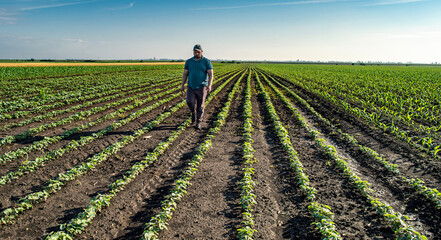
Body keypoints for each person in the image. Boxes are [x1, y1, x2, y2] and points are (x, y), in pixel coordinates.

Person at [181, 44, 214, 129]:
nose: (196, 53)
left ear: (201, 52)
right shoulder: (189, 61)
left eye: (198, 52)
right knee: (189, 102)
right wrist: (182, 85)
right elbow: (185, 74)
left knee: (200, 105)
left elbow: (211, 74)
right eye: (195, 52)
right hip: (191, 86)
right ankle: (193, 112)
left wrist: (209, 85)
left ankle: (198, 121)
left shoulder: (206, 61)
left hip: (202, 87)